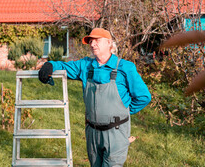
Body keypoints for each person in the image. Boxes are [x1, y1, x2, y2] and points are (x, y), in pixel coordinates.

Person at [39, 27, 151, 167]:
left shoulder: (125, 67)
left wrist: (125, 111)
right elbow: (64, 66)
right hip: (92, 132)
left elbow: (143, 97)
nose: (92, 44)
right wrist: (49, 65)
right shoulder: (86, 66)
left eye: (97, 40)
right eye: (91, 41)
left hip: (116, 132)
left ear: (109, 43)